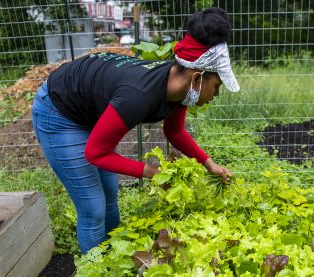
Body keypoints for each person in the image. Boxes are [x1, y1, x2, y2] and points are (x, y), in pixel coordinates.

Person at [32, 7, 240, 254]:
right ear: (197, 77)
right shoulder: (138, 96)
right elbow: (96, 154)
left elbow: (174, 133)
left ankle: (110, 260)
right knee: (93, 206)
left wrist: (209, 164)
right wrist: (150, 172)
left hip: (88, 107)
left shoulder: (178, 89)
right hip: (58, 111)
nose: (215, 95)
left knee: (110, 194)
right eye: (216, 87)